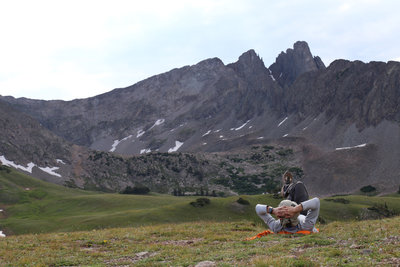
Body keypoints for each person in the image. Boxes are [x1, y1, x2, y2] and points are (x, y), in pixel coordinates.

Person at [255, 197, 320, 233]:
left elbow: (258, 208)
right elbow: (316, 202)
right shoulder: (306, 226)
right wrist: (273, 210)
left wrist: (272, 210)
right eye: (283, 213)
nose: (287, 218)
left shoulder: (276, 227)